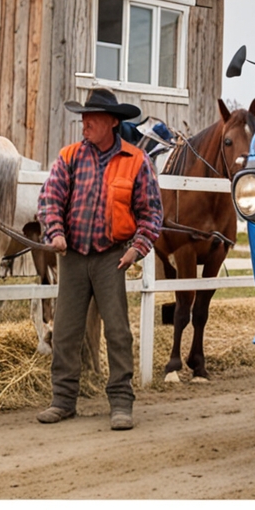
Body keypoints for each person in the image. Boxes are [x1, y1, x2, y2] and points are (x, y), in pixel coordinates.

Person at [35, 88, 163, 430]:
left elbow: (151, 213)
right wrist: (55, 232)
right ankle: (63, 400)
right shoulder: (70, 157)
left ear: (112, 122)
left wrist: (137, 248)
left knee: (118, 332)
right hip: (73, 255)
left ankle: (121, 403)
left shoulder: (137, 161)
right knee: (65, 331)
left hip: (112, 257)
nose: (84, 124)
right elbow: (50, 197)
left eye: (91, 118)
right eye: (83, 117)